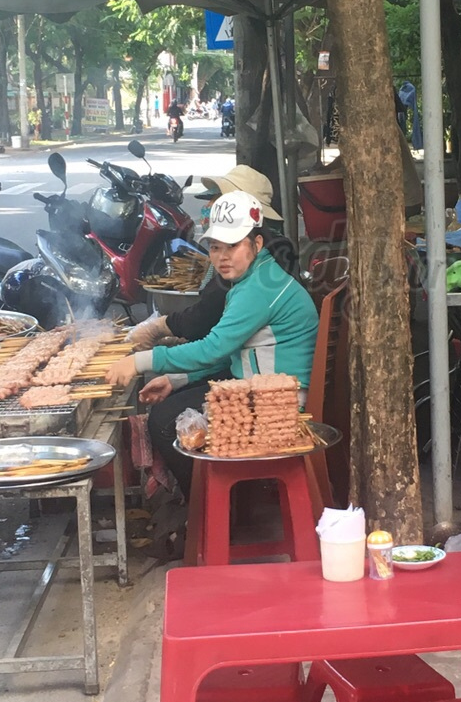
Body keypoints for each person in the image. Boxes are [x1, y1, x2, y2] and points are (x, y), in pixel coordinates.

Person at [107, 189, 319, 501]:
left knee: (164, 422)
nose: (222, 256)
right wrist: (179, 378)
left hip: (277, 402)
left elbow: (213, 348)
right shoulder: (255, 278)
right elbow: (233, 352)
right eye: (216, 247)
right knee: (171, 405)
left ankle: (215, 506)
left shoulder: (259, 288)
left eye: (233, 246)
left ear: (257, 243)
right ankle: (213, 505)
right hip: (258, 385)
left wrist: (139, 362)